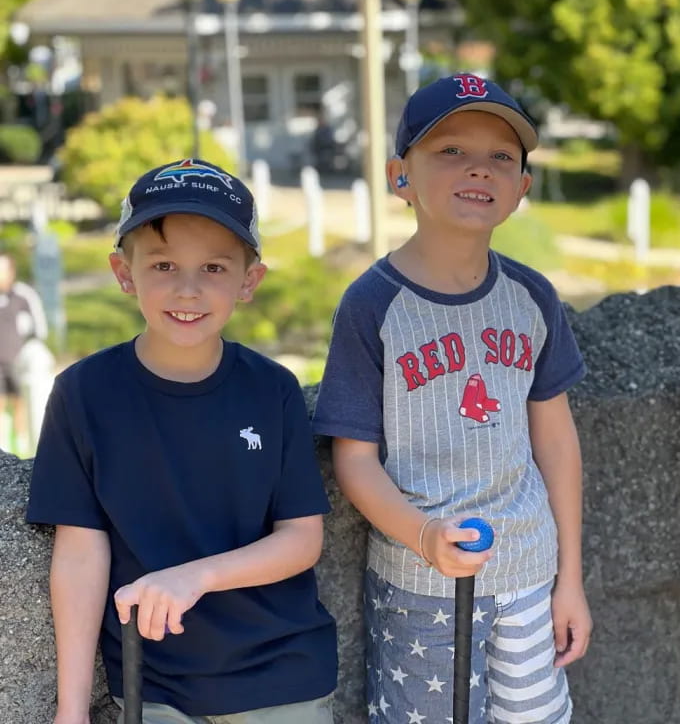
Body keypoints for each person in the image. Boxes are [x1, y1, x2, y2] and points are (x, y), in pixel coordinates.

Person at [313, 74, 592, 723]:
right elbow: (354, 459)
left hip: (529, 574)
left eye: (501, 156)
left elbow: (556, 442)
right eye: (450, 151)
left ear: (522, 187)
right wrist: (424, 535)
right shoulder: (372, 305)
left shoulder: (532, 297)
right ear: (399, 175)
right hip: (422, 583)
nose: (479, 168)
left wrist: (571, 579)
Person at [26, 159, 337, 724]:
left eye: (214, 267)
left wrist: (195, 576)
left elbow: (300, 539)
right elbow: (79, 553)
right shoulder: (83, 393)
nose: (188, 289)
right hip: (153, 684)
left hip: (281, 675)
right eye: (163, 265)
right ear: (124, 273)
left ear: (249, 280)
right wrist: (71, 709)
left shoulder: (273, 389)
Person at [0, 250, 48, 455]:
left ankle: (22, 445)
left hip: (18, 361)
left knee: (20, 401)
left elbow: (39, 327)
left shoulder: (23, 295)